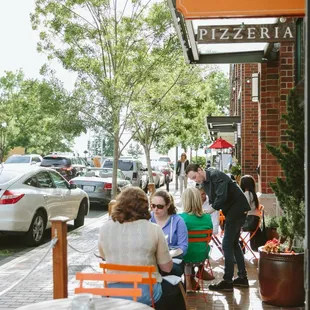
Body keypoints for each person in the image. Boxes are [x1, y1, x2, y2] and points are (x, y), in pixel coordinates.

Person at [98, 186, 186, 310]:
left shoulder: (105, 229)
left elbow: (103, 256)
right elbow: (167, 267)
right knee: (175, 288)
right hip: (146, 293)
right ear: (145, 206)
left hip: (113, 292)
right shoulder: (154, 229)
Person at [185, 164, 251, 291]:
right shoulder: (205, 182)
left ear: (200, 170)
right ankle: (242, 278)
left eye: (194, 177)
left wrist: (209, 210)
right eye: (192, 179)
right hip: (232, 210)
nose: (195, 180)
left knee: (226, 244)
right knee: (234, 244)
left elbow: (222, 196)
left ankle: (227, 281)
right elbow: (212, 200)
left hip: (237, 209)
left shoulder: (215, 175)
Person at [180, 188, 213, 290]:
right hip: (202, 254)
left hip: (186, 255)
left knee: (184, 250)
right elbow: (210, 235)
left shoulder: (180, 218)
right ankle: (199, 272)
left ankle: (188, 281)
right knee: (194, 247)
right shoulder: (207, 217)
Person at [150, 190, 188, 277]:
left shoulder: (178, 221)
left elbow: (183, 247)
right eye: (153, 206)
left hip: (172, 259)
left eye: (160, 206)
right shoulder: (147, 218)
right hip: (150, 259)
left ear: (167, 205)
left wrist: (168, 254)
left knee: (160, 269)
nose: (155, 209)